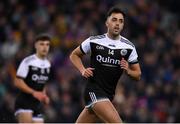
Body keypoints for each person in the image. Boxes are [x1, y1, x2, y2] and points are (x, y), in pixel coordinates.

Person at [70, 6, 141, 123]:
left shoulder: (129, 47)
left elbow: (138, 75)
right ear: (107, 23)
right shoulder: (94, 41)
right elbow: (74, 55)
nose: (117, 23)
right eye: (114, 20)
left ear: (123, 25)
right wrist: (82, 70)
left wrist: (128, 70)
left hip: (108, 95)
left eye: (121, 21)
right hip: (93, 91)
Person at [14, 34, 52, 123]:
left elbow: (43, 84)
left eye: (47, 44)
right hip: (24, 102)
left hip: (36, 104)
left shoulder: (48, 64)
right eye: (42, 44)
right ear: (36, 45)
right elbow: (17, 81)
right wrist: (33, 92)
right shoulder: (28, 61)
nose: (45, 47)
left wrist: (44, 96)